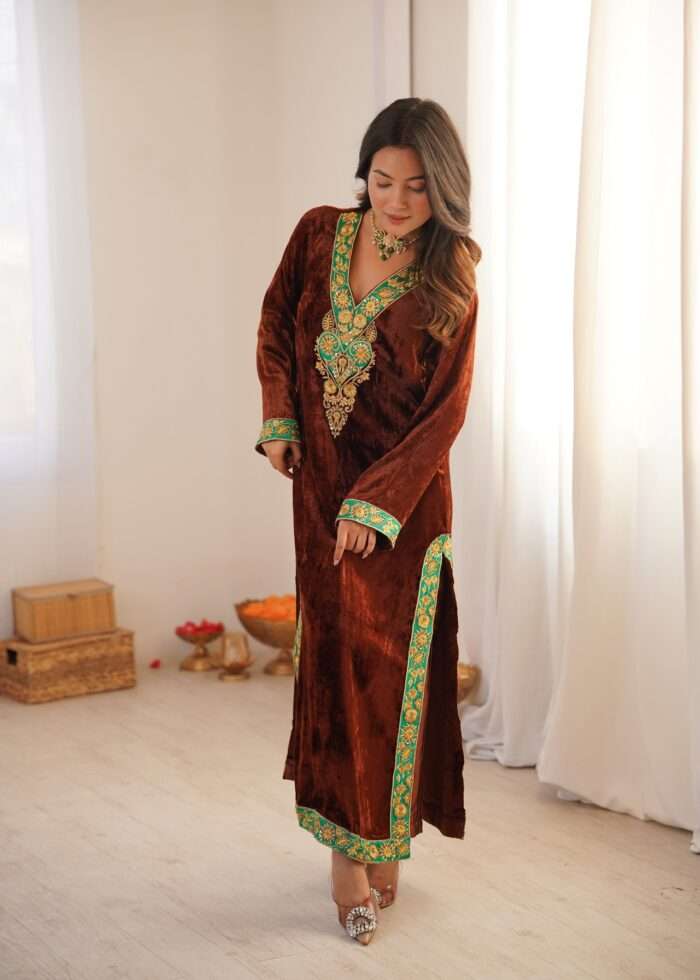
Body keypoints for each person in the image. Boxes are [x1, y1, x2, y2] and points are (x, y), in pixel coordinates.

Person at [254, 97, 481, 945]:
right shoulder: (319, 235)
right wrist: (280, 418)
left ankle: (382, 837)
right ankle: (345, 859)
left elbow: (445, 412)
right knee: (333, 674)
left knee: (392, 678)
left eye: (417, 188)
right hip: (319, 493)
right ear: (365, 174)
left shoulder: (452, 276)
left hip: (403, 509)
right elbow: (276, 324)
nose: (396, 201)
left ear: (443, 190)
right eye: (383, 181)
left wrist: (377, 505)